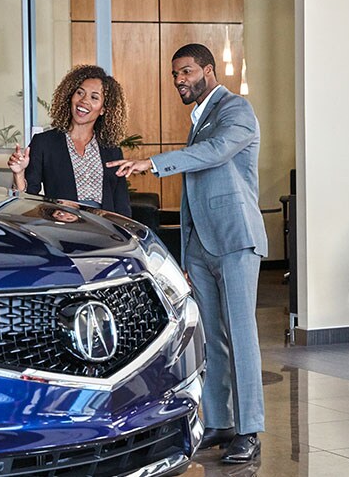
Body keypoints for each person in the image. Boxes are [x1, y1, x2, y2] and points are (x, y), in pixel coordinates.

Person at [107, 43, 266, 464]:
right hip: (202, 246)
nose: (180, 80)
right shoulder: (200, 118)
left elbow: (214, 153)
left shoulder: (236, 110)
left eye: (187, 71)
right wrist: (189, 251)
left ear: (208, 71)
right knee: (211, 337)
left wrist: (152, 163)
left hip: (235, 239)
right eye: (175, 74)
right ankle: (221, 422)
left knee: (241, 337)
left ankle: (249, 430)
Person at [7, 64, 131, 217]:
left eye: (94, 97)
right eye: (80, 93)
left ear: (103, 109)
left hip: (103, 228)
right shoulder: (44, 142)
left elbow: (122, 205)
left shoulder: (111, 150)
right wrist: (19, 173)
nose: (84, 101)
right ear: (70, 96)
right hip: (62, 226)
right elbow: (27, 199)